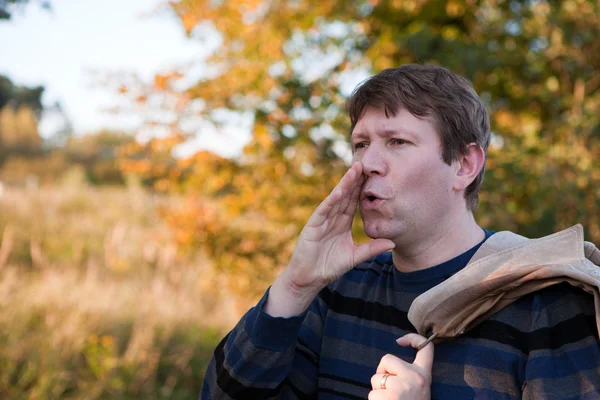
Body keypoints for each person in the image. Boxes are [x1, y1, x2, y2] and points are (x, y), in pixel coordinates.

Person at [200, 64, 600, 399]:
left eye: (397, 141)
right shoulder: (339, 291)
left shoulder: (544, 300)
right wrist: (294, 286)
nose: (368, 163)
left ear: (464, 165)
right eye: (360, 145)